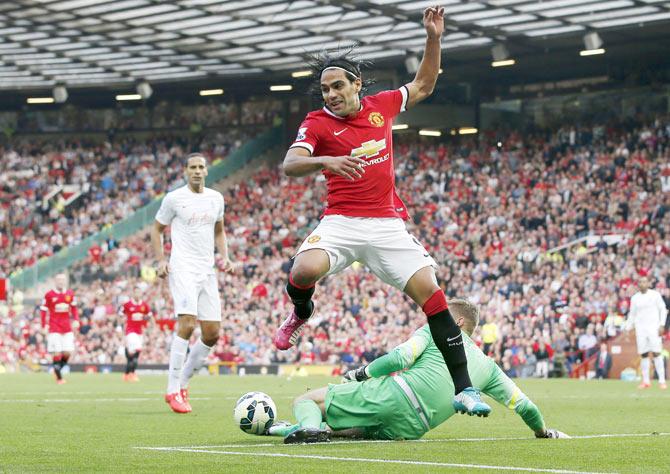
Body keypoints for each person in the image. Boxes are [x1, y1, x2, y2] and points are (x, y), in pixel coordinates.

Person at [274, 4, 489, 416]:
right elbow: (290, 164)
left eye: (338, 86)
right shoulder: (317, 123)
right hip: (341, 221)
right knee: (302, 273)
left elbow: (424, 84)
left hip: (386, 224)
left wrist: (433, 37)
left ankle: (465, 388)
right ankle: (301, 312)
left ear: (356, 85)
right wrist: (325, 161)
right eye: (325, 90)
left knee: (434, 296)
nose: (332, 95)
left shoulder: (382, 107)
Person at [264, 299, 567, 443]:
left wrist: (362, 373)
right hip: (414, 428)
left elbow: (399, 357)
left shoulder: (438, 330)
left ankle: (307, 428)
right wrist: (543, 432)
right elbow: (525, 406)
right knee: (347, 431)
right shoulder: (488, 367)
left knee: (307, 401)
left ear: (457, 323)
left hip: (396, 395)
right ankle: (291, 429)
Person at [151, 153, 234, 413]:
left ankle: (184, 381)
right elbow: (156, 229)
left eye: (201, 167)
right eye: (193, 167)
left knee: (212, 333)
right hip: (182, 267)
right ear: (185, 171)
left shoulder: (215, 198)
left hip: (206, 269)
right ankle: (171, 389)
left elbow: (219, 230)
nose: (197, 171)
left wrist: (225, 257)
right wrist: (160, 260)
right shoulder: (174, 199)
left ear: (207, 171)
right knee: (187, 323)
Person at [626, 276, 668, 389]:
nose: (642, 284)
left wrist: (662, 325)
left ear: (648, 283)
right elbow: (632, 315)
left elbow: (663, 309)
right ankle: (646, 381)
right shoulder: (635, 298)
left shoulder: (655, 295)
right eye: (640, 282)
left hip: (654, 328)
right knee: (644, 355)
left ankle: (662, 381)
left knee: (657, 353)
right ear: (638, 284)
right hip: (641, 330)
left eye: (644, 281)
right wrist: (627, 328)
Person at [39, 273, 79, 384]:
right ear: (55, 281)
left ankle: (56, 370)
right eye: (59, 280)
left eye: (63, 280)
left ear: (65, 281)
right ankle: (59, 378)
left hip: (67, 328)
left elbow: (74, 308)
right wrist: (43, 326)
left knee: (68, 353)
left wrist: (76, 320)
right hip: (54, 328)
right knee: (56, 353)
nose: (61, 281)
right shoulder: (49, 295)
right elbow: (43, 311)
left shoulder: (70, 293)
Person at [119, 285, 153, 382]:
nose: (138, 294)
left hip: (139, 333)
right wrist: (119, 326)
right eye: (136, 292)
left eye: (139, 292)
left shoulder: (144, 305)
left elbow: (149, 316)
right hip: (130, 332)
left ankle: (126, 374)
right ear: (133, 293)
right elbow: (120, 314)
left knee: (134, 355)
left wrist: (151, 324)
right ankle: (132, 374)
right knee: (134, 353)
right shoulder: (128, 304)